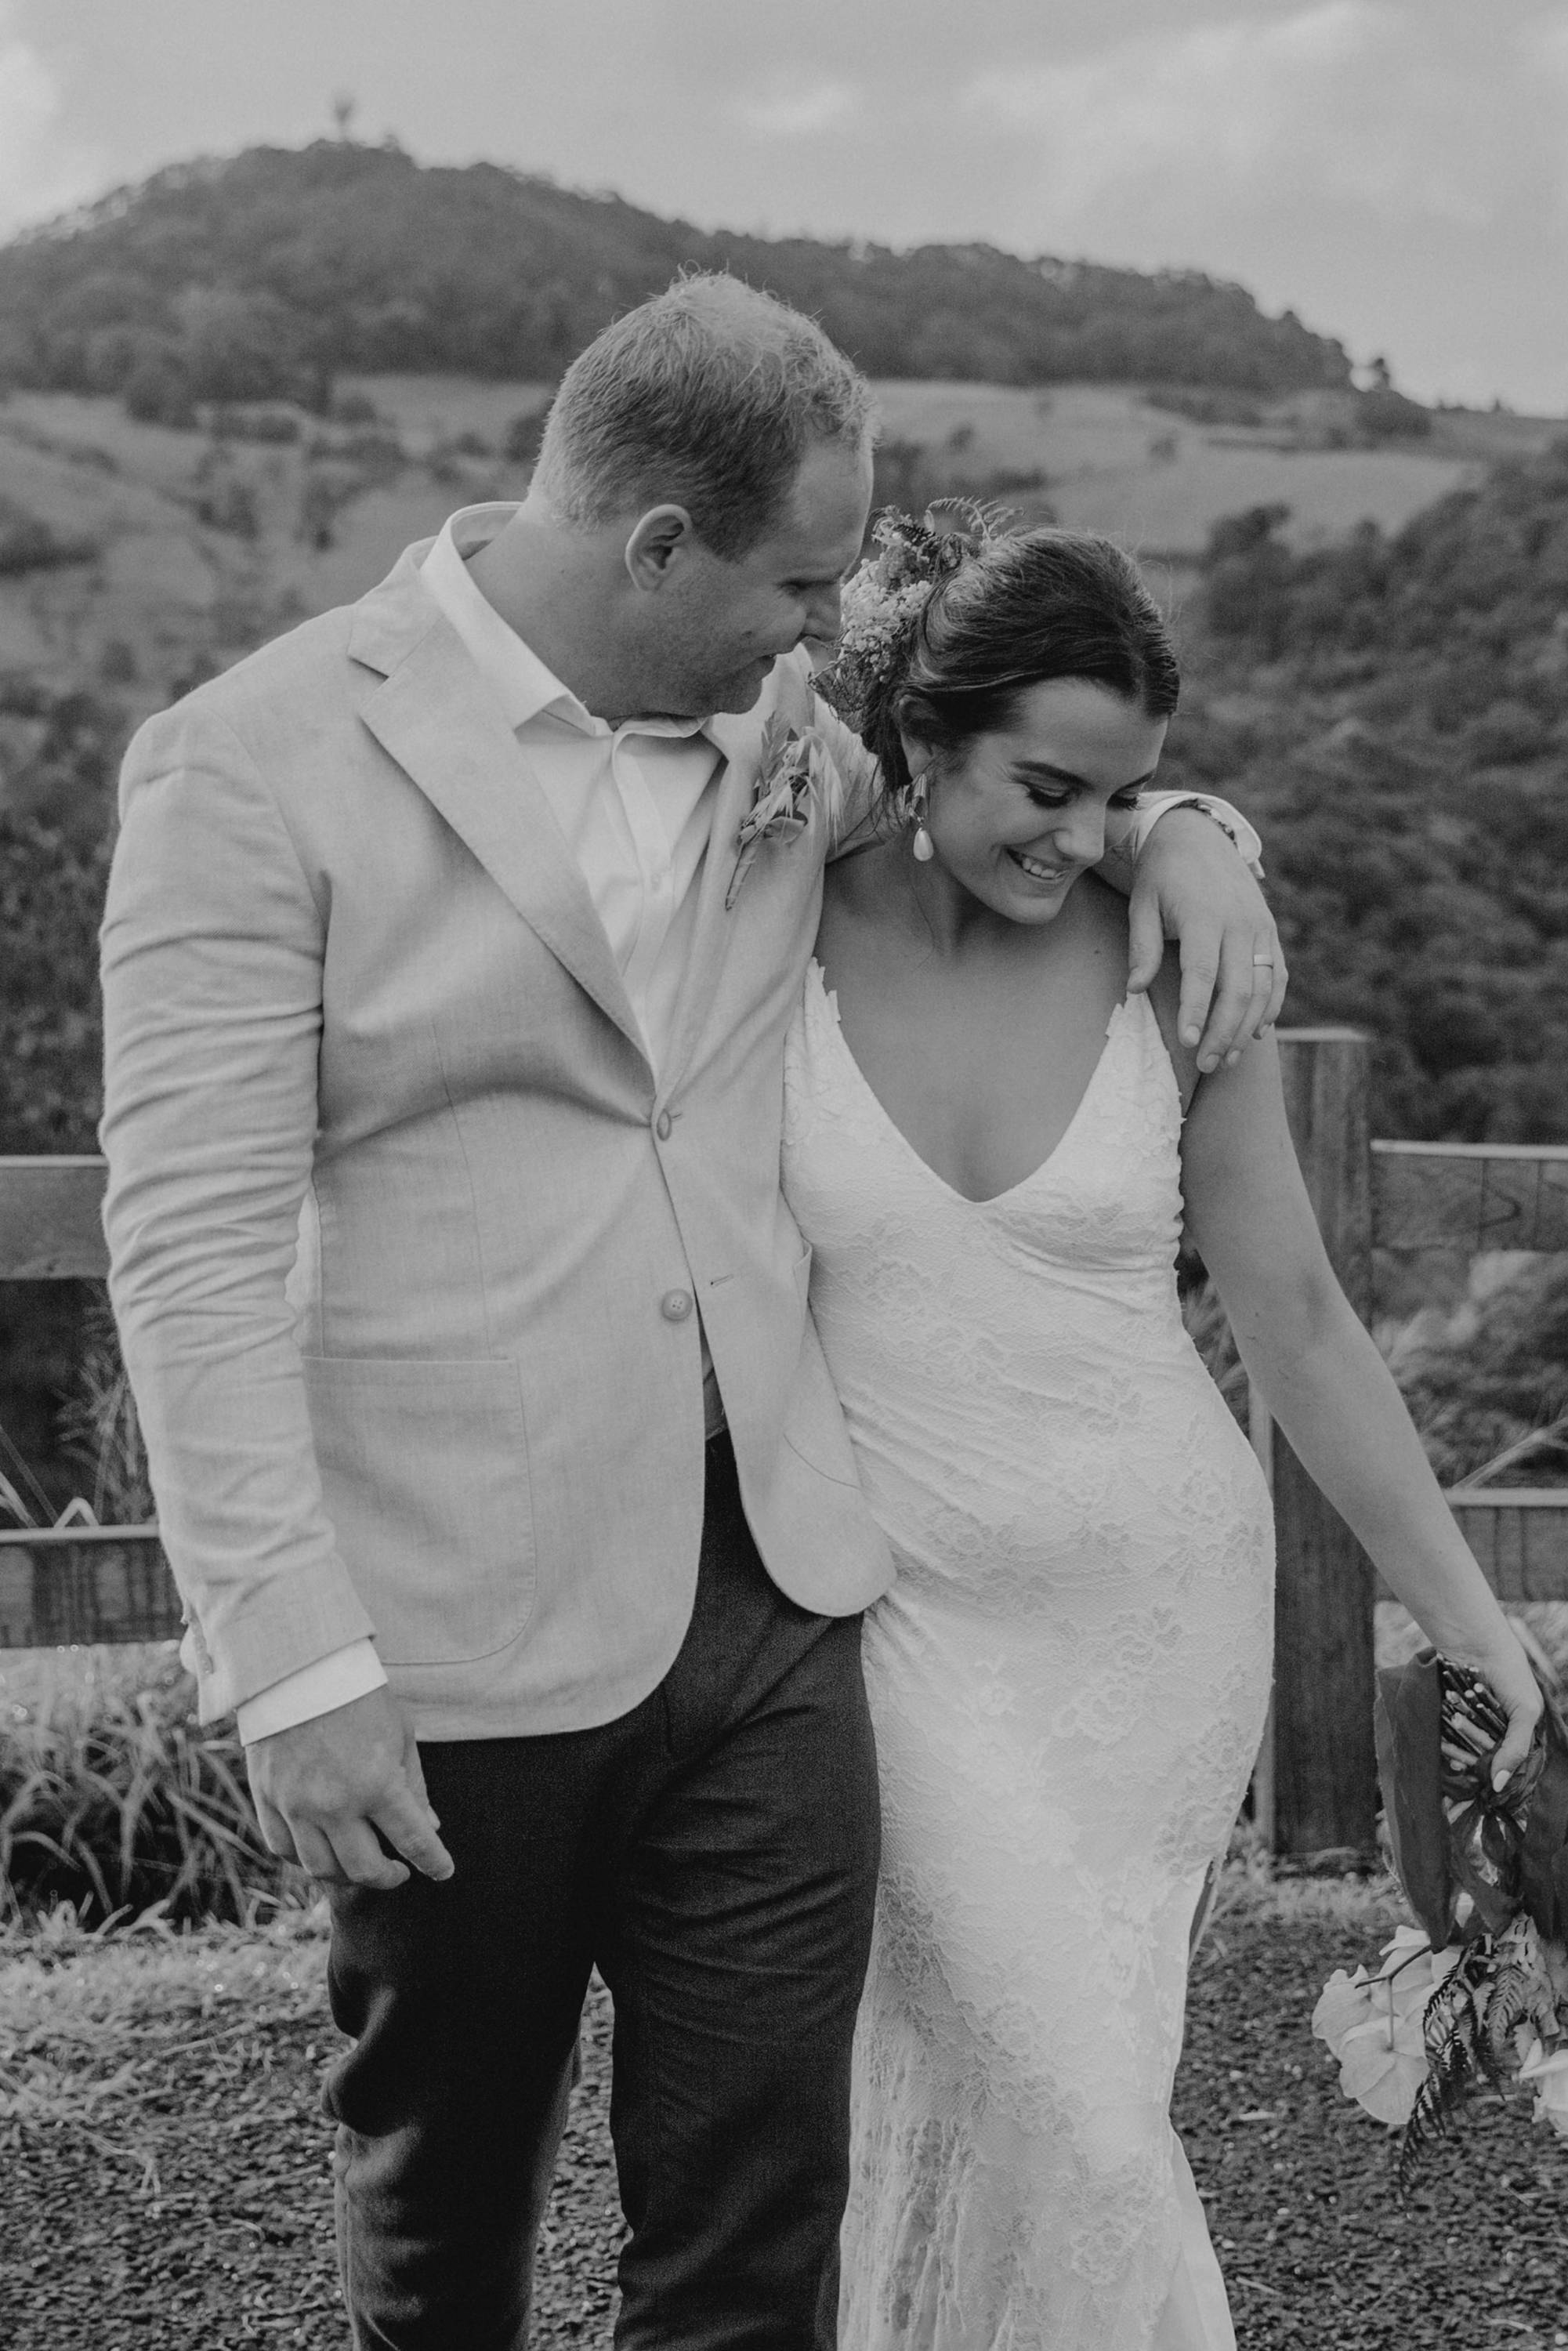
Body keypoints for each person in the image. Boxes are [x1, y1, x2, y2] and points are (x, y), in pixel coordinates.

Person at [99, 279, 1282, 2349]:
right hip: (459, 1631)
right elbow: (184, 1242)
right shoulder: (246, 768)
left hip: (781, 1611)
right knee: (446, 2221)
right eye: (802, 583)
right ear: (659, 547)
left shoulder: (786, 746)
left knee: (760, 2222)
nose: (828, 630)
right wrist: (287, 1661)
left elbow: (998, 806)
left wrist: (1197, 835)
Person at [777, 516, 1544, 2349]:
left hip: (1150, 1631)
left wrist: (1467, 1619)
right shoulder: (768, 922)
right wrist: (1188, 823)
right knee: (1079, 2124)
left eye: (1115, 798)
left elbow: (1292, 1318)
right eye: (1043, 787)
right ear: (920, 732)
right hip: (894, 1620)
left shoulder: (1168, 955)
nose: (1075, 836)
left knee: (1072, 2089)